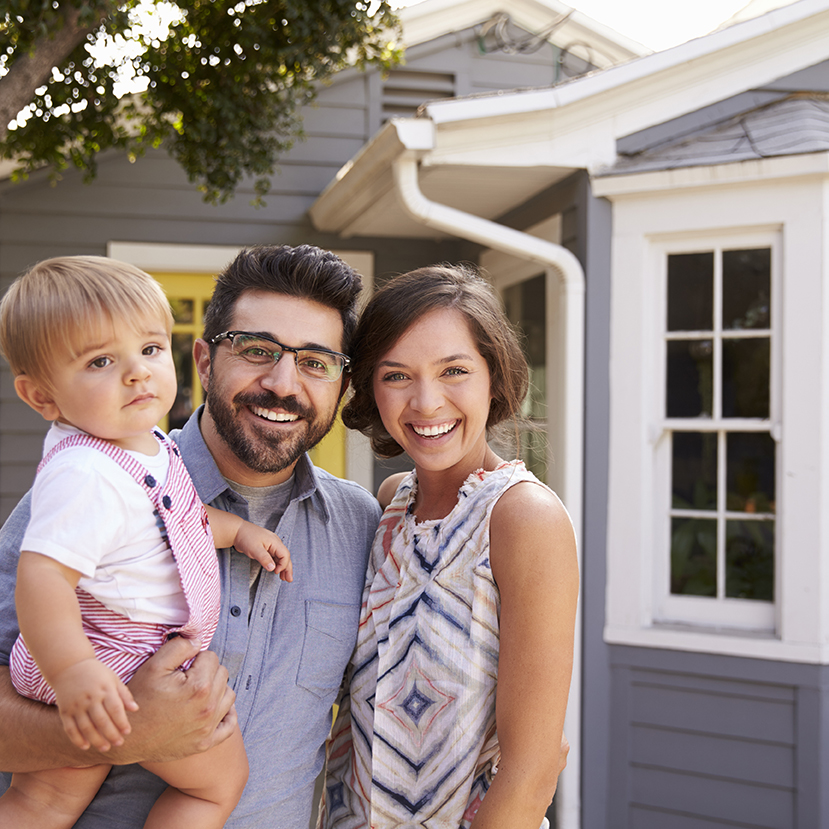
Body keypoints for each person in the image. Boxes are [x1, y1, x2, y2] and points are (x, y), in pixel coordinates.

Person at [0, 245, 383, 828]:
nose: (284, 383)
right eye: (257, 351)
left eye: (315, 362)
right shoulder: (87, 488)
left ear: (342, 384)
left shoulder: (359, 527)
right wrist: (125, 735)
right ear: (204, 361)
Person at [321, 265, 579, 829]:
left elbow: (532, 769)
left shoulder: (521, 518)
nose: (426, 402)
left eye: (454, 370)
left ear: (495, 377)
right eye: (396, 375)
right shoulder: (391, 503)